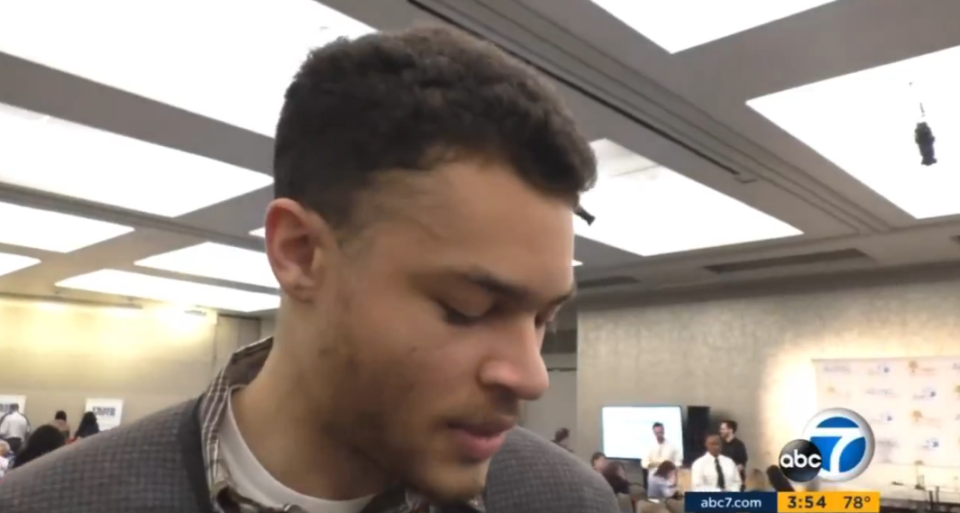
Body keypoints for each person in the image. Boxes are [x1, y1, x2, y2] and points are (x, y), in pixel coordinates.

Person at [0, 25, 615, 513]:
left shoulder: (568, 502)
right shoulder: (48, 502)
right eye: (467, 309)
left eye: (543, 319)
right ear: (298, 253)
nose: (532, 377)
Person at [719, 420, 747, 488]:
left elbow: (741, 465)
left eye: (723, 429)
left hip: (735, 484)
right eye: (720, 429)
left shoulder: (739, 445)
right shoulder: (720, 445)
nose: (720, 431)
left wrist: (730, 474)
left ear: (730, 430)